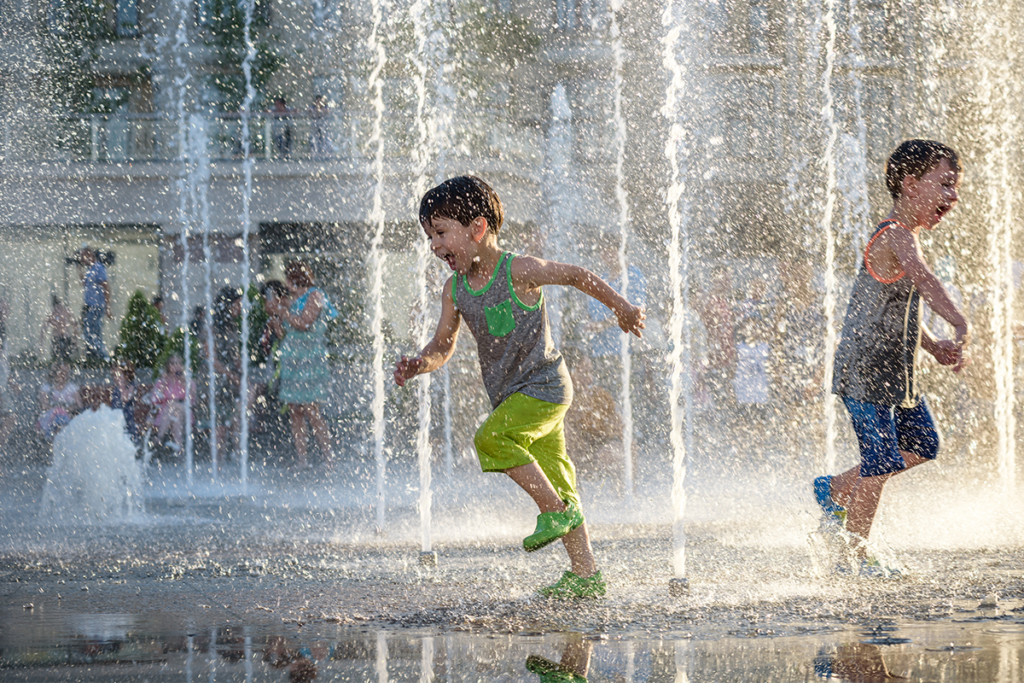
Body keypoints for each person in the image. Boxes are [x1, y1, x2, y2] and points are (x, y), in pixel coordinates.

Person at [393, 176, 645, 599]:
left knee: (490, 437)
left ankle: (551, 512)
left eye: (440, 232)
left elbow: (576, 275)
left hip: (545, 386)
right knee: (561, 480)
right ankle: (586, 576)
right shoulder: (454, 291)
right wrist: (421, 363)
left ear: (476, 229)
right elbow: (443, 345)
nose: (434, 246)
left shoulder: (518, 270)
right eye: (429, 237)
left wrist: (621, 307)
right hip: (516, 398)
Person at [815, 140, 970, 577]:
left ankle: (834, 490)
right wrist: (958, 321)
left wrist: (932, 344)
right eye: (944, 184)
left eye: (954, 188)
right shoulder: (895, 235)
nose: (952, 197)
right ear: (909, 183)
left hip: (893, 374)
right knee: (880, 461)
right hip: (864, 372)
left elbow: (892, 310)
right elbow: (924, 281)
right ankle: (856, 558)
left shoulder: (907, 237)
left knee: (922, 445)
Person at [267, 261, 337, 469]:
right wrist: (275, 319)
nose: (286, 282)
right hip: (292, 360)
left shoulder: (315, 295)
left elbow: (305, 323)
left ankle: (328, 459)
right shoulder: (292, 300)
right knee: (295, 411)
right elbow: (284, 334)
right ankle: (302, 460)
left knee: (312, 410)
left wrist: (283, 312)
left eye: (288, 277)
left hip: (309, 360)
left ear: (296, 278)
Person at [144, 354, 194, 454]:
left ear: (182, 366)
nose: (176, 366)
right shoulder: (162, 381)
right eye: (173, 363)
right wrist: (163, 385)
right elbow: (154, 400)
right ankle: (179, 449)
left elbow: (192, 401)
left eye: (178, 363)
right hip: (166, 415)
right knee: (176, 416)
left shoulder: (187, 381)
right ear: (168, 366)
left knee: (173, 406)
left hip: (184, 411)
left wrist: (184, 383)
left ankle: (159, 439)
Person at [79, 245, 111, 362]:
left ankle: (101, 355)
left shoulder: (98, 268)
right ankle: (96, 354)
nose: (82, 259)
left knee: (92, 330)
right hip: (90, 305)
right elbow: (84, 283)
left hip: (97, 305)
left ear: (89, 255)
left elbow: (106, 287)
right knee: (90, 330)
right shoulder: (90, 269)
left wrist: (107, 307)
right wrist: (79, 269)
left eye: (83, 256)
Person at [36, 361, 81, 440]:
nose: (64, 375)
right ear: (55, 373)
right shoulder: (47, 388)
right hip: (49, 417)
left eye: (66, 372)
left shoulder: (72, 388)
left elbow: (79, 405)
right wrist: (57, 409)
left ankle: (56, 439)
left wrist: (68, 409)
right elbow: (43, 406)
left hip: (68, 415)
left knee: (61, 419)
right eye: (61, 372)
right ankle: (57, 438)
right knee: (57, 418)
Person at [41, 295, 79, 362]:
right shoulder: (66, 311)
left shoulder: (52, 313)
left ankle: (59, 368)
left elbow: (44, 328)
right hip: (65, 337)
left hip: (57, 338)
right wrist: (75, 338)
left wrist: (41, 342)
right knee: (66, 359)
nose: (59, 311)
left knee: (57, 359)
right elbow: (74, 325)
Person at [309, 94, 334, 159]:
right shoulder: (312, 108)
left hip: (324, 128)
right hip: (315, 128)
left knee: (325, 141)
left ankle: (327, 155)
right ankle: (316, 155)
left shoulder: (326, 108)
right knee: (316, 141)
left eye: (320, 101)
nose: (318, 103)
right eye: (317, 101)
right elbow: (310, 112)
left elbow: (328, 111)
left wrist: (320, 109)